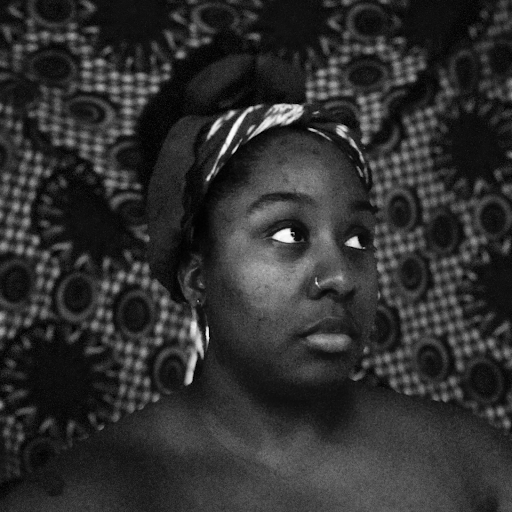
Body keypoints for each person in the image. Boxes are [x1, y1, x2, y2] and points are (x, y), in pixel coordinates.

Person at [3, 103, 512, 511]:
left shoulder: (472, 465)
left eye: (358, 238)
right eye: (289, 233)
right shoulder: (89, 495)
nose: (340, 277)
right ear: (197, 277)